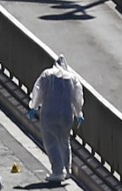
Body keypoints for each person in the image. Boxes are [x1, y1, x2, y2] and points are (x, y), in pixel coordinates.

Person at [29, 55, 84, 184]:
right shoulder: (72, 78)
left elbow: (38, 91)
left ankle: (58, 171)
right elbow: (78, 97)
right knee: (64, 140)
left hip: (49, 113)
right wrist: (79, 113)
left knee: (51, 141)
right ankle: (67, 168)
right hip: (66, 114)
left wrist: (34, 106)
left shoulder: (47, 75)